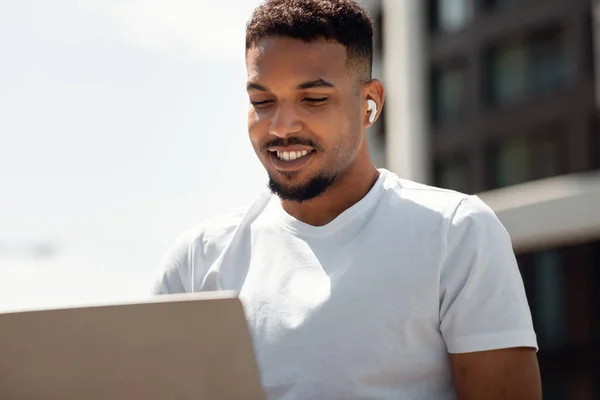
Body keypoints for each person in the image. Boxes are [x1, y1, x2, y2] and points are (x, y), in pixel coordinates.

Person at [152, 0, 542, 398]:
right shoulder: (197, 260)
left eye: (314, 99)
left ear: (369, 103)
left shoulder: (456, 233)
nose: (281, 127)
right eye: (262, 101)